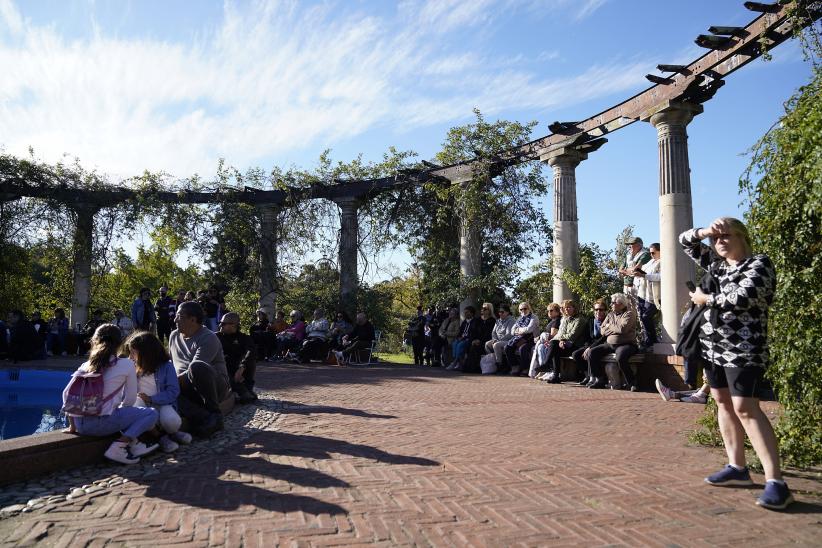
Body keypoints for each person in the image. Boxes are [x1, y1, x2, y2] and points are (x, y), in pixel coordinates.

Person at [681, 218, 791, 510]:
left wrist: (707, 299)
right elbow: (684, 241)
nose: (720, 242)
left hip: (744, 349)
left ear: (742, 236)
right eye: (717, 238)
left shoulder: (759, 264)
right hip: (713, 349)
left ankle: (776, 482)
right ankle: (737, 468)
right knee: (723, 403)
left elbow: (746, 296)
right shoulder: (717, 265)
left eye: (727, 236)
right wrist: (705, 231)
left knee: (746, 407)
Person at [62, 324, 159, 464]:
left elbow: (66, 395)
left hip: (81, 425)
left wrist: (73, 427)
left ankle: (136, 446)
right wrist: (122, 412)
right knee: (151, 413)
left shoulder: (86, 365)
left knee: (121, 413)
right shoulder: (126, 364)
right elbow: (130, 400)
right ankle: (119, 446)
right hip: (102, 425)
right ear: (119, 343)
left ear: (94, 341)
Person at [168, 301, 231, 437]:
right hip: (185, 386)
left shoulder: (208, 338)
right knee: (163, 391)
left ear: (192, 319)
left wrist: (171, 384)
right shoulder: (173, 336)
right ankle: (205, 417)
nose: (175, 319)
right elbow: (171, 364)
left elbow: (195, 371)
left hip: (212, 385)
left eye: (179, 316)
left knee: (196, 367)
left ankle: (215, 413)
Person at [124, 331, 192, 452]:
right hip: (141, 403)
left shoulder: (166, 366)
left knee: (172, 421)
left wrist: (152, 399)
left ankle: (174, 433)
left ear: (146, 353)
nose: (130, 356)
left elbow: (173, 391)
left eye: (133, 353)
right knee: (140, 413)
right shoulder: (132, 366)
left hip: (162, 402)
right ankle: (161, 437)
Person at [585, 293, 638, 390]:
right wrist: (612, 328)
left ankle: (632, 382)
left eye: (613, 303)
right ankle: (600, 379)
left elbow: (623, 329)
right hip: (609, 344)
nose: (611, 305)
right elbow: (602, 330)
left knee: (621, 357)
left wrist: (609, 326)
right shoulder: (610, 315)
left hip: (626, 344)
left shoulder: (629, 314)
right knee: (592, 353)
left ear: (621, 304)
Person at [540, 300, 591, 383]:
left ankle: (547, 365)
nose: (566, 309)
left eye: (569, 307)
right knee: (553, 346)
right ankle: (556, 375)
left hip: (576, 345)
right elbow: (561, 333)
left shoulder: (580, 320)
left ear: (574, 308)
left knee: (554, 347)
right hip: (566, 344)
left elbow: (573, 335)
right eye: (565, 308)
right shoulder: (565, 318)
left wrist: (561, 340)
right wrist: (557, 340)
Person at [216, 312, 258, 403]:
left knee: (251, 361)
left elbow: (251, 351)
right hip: (224, 368)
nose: (220, 325)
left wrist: (242, 367)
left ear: (233, 325)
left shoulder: (244, 338)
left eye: (223, 324)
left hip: (238, 366)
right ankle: (242, 391)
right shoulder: (216, 337)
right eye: (220, 323)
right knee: (221, 365)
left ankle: (247, 388)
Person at [632, 242, 661, 351]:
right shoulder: (651, 262)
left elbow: (661, 277)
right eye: (650, 253)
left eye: (653, 253)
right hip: (642, 294)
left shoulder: (664, 262)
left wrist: (643, 275)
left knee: (646, 317)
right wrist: (636, 272)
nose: (651, 255)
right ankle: (648, 341)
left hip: (653, 296)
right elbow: (642, 270)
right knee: (643, 318)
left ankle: (652, 340)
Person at [575, 300, 608, 384]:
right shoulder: (591, 321)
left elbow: (604, 338)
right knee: (576, 354)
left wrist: (590, 347)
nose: (598, 312)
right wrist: (586, 346)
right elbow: (586, 336)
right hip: (590, 344)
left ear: (605, 311)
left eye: (601, 309)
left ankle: (595, 377)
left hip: (602, 344)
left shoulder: (608, 320)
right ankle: (587, 375)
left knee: (591, 352)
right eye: (596, 309)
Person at [504, 302, 540, 376]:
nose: (523, 310)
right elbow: (512, 331)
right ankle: (515, 366)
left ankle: (525, 368)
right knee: (507, 347)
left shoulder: (534, 317)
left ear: (529, 309)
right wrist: (520, 331)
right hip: (518, 339)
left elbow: (529, 329)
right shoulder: (519, 319)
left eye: (525, 308)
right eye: (521, 309)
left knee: (522, 348)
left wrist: (519, 330)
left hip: (531, 339)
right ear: (519, 311)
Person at [529, 303, 562, 378]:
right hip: (548, 342)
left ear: (557, 312)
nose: (549, 312)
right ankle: (544, 370)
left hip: (554, 343)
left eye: (551, 311)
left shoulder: (557, 321)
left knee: (541, 347)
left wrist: (543, 337)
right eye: (548, 311)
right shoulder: (551, 321)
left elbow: (552, 335)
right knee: (539, 347)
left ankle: (549, 370)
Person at [463, 303, 496, 373]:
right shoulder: (478, 320)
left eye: (485, 309)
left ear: (489, 310)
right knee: (470, 345)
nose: (482, 310)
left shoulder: (492, 321)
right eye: (482, 308)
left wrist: (479, 340)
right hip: (475, 340)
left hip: (486, 341)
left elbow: (490, 334)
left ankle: (474, 367)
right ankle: (469, 367)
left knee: (476, 347)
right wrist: (473, 340)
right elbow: (472, 331)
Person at [447, 306, 480, 370]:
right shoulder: (464, 322)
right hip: (462, 338)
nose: (465, 314)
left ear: (472, 313)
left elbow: (474, 333)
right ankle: (458, 362)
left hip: (469, 339)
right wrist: (458, 337)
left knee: (460, 345)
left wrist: (465, 338)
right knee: (455, 343)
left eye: (467, 312)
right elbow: (460, 331)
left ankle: (454, 362)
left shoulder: (475, 322)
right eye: (464, 312)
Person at [485, 304, 516, 370]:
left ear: (507, 312)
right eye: (499, 312)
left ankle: (500, 364)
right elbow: (493, 332)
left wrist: (498, 340)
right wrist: (495, 339)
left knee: (496, 345)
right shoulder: (498, 321)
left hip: (508, 340)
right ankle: (493, 361)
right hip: (498, 340)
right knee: (487, 344)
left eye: (502, 312)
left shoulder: (511, 321)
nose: (500, 314)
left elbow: (509, 334)